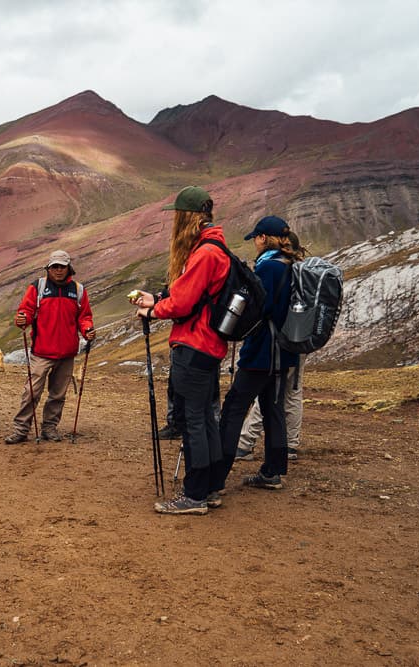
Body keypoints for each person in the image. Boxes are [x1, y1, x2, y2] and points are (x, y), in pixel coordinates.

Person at [131, 186, 229, 515]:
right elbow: (190, 297)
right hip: (208, 345)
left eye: (177, 215)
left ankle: (195, 494)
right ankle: (212, 486)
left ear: (188, 216)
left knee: (193, 420)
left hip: (194, 345)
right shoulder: (216, 247)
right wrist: (157, 300)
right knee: (205, 418)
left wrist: (154, 311)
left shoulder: (204, 253)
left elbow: (184, 303)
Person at [216, 215, 298, 492]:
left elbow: (258, 308)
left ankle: (216, 475)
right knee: (273, 408)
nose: (254, 243)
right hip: (284, 351)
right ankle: (273, 471)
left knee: (234, 406)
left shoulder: (268, 268)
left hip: (263, 350)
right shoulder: (290, 264)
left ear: (263, 238)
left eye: (256, 238)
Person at [5, 250, 95, 444]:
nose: (58, 270)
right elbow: (26, 311)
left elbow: (84, 316)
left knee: (58, 394)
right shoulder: (38, 287)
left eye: (62, 267)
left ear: (68, 268)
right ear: (48, 268)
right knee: (31, 392)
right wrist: (22, 319)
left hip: (67, 353)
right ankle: (21, 429)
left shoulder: (78, 290)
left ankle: (49, 427)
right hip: (42, 352)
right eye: (55, 266)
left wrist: (87, 329)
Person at [235, 230, 308, 462]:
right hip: (298, 336)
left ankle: (245, 443)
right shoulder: (297, 268)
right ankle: (290, 445)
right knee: (291, 391)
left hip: (279, 340)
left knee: (268, 395)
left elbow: (263, 307)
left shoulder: (274, 267)